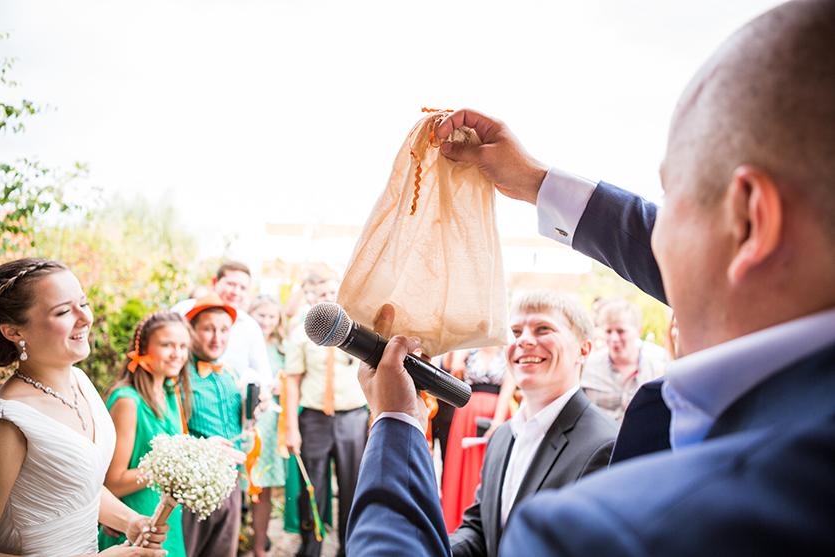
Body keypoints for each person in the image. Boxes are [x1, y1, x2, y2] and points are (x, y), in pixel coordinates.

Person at [346, 1, 835, 555]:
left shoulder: (608, 530)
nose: (661, 237)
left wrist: (395, 424)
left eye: (671, 202)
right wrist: (533, 181)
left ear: (750, 221)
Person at [0, 257, 168, 557]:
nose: (85, 318)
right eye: (63, 311)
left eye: (84, 303)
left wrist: (131, 521)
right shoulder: (9, 419)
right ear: (14, 332)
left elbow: (75, 488)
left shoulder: (80, 381)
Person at [450, 290, 618, 557]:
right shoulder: (502, 436)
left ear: (583, 350)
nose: (524, 340)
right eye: (515, 332)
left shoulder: (606, 446)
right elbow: (480, 529)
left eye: (543, 329)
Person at [99, 311, 194, 557]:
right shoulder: (128, 401)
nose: (177, 354)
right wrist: (172, 466)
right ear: (143, 348)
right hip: (134, 522)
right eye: (166, 345)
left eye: (183, 346)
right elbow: (112, 482)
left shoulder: (172, 392)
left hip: (167, 522)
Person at [284, 277, 367, 557]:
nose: (329, 296)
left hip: (352, 418)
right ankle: (311, 547)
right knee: (311, 488)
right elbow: (292, 383)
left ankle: (350, 548)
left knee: (352, 486)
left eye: (334, 291)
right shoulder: (300, 335)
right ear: (312, 299)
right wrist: (291, 429)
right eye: (323, 293)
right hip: (315, 419)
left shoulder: (360, 332)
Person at [181, 293, 248, 557]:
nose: (217, 338)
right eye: (208, 329)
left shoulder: (230, 373)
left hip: (231, 484)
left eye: (223, 330)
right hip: (192, 487)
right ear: (192, 331)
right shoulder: (178, 374)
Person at [441, 345, 512, 533]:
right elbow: (452, 365)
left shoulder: (507, 351)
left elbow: (508, 388)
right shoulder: (470, 348)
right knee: (463, 467)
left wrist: (497, 422)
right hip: (467, 413)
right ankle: (457, 523)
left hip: (498, 412)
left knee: (491, 465)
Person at [172, 261, 271, 387]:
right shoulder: (183, 311)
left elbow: (263, 377)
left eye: (243, 288)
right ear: (215, 282)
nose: (236, 292)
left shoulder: (250, 327)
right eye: (231, 284)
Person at [581, 297, 671, 421]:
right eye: (608, 331)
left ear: (639, 331)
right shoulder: (589, 368)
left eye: (621, 331)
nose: (614, 338)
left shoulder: (658, 366)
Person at [247, 295, 289, 557]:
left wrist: (283, 385)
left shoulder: (282, 348)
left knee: (263, 488)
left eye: (271, 316)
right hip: (243, 420)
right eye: (260, 315)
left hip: (270, 426)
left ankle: (259, 544)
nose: (265, 321)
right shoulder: (242, 341)